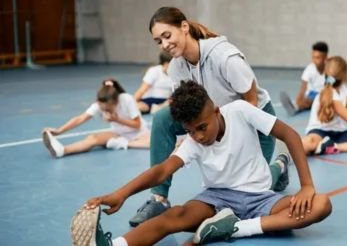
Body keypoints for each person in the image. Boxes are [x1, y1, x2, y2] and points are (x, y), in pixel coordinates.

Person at [71, 80, 332, 246]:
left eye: (202, 127)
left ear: (217, 111)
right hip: (216, 200)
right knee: (174, 215)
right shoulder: (194, 141)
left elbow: (290, 135)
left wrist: (307, 185)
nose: (198, 136)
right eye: (191, 130)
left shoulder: (241, 111)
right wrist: (121, 194)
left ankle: (236, 229)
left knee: (320, 204)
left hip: (259, 198)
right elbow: (162, 170)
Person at [128, 6, 289, 227]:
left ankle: (280, 166)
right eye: (158, 41)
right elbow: (183, 110)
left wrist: (233, 148)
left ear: (184, 27)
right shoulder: (176, 68)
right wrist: (185, 140)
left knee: (249, 188)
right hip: (211, 121)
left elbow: (251, 104)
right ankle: (159, 198)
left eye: (167, 36)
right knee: (163, 118)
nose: (164, 44)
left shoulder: (225, 56)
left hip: (254, 123)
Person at [42, 79, 150, 158]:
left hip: (139, 133)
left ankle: (124, 143)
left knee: (152, 144)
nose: (105, 110)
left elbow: (137, 125)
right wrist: (59, 131)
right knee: (92, 138)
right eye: (102, 108)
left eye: (107, 108)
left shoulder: (126, 99)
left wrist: (117, 120)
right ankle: (62, 150)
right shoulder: (99, 105)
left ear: (115, 102)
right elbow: (80, 119)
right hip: (119, 133)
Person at [280, 42, 347, 116]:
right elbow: (302, 90)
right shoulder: (309, 70)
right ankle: (295, 107)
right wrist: (298, 102)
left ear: (325, 57)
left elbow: (335, 86)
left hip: (327, 94)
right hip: (313, 96)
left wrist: (343, 98)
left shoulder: (330, 69)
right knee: (308, 100)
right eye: (313, 57)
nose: (315, 60)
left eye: (318, 57)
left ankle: (331, 106)